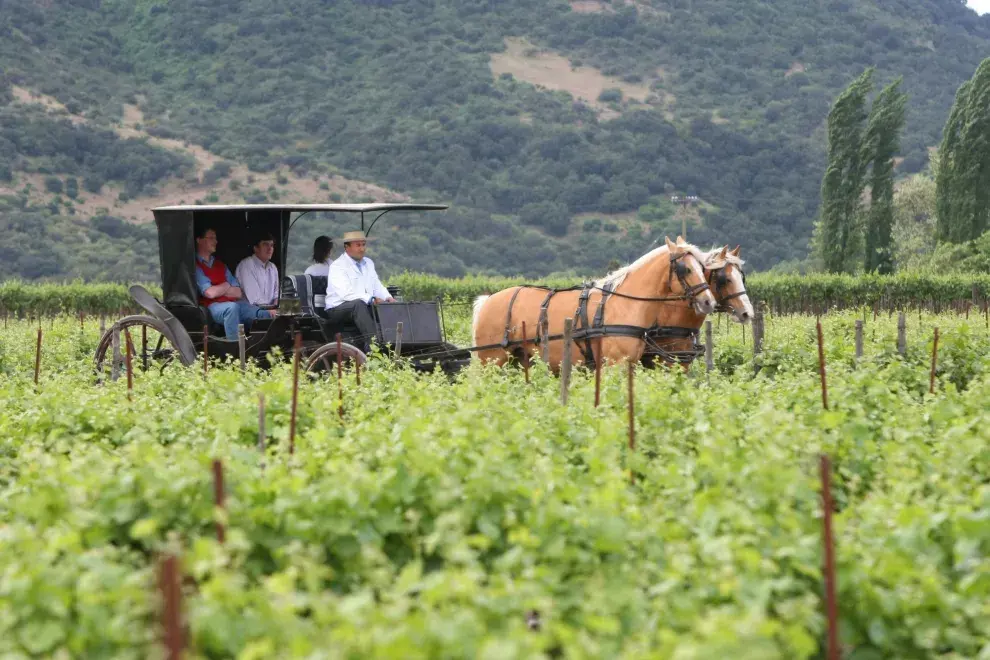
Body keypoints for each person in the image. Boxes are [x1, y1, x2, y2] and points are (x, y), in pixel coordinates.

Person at [194, 226, 273, 340]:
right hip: (211, 306)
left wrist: (219, 290)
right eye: (211, 238)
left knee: (263, 314)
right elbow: (210, 293)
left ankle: (263, 348)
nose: (215, 241)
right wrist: (226, 285)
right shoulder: (196, 266)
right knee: (232, 308)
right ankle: (236, 351)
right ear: (199, 240)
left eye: (215, 238)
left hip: (234, 303)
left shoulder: (220, 265)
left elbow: (238, 292)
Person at [324, 230, 394, 353]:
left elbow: (376, 285)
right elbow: (345, 293)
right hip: (338, 308)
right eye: (358, 245)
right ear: (347, 247)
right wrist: (370, 299)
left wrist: (388, 298)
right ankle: (375, 346)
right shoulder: (338, 266)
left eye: (363, 245)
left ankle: (396, 343)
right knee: (358, 305)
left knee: (391, 306)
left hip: (364, 305)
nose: (362, 249)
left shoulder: (368, 263)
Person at [236, 232, 280, 307]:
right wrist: (272, 312)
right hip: (251, 311)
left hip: (269, 310)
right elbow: (255, 300)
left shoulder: (273, 268)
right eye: (265, 244)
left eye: (272, 245)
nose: (270, 249)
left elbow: (277, 296)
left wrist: (277, 309)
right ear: (256, 248)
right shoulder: (247, 265)